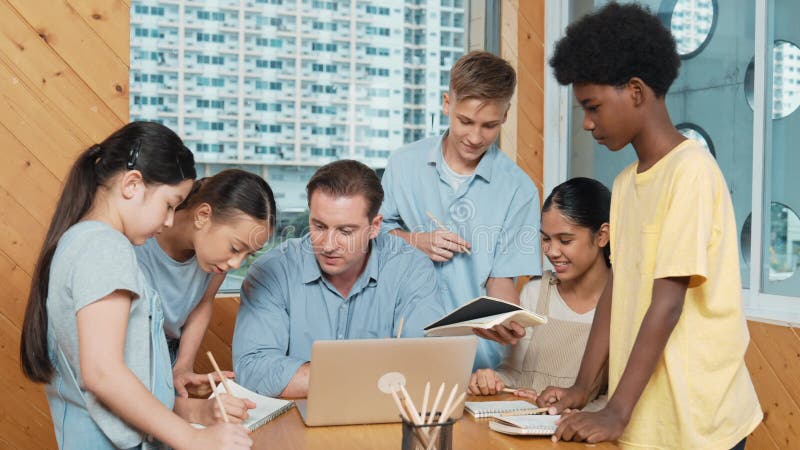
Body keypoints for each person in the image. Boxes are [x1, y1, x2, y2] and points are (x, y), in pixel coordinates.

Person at [538, 4, 762, 449]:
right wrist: (583, 388)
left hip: (698, 424)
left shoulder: (691, 172)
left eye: (593, 106)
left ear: (636, 92)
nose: (587, 123)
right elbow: (617, 292)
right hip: (644, 418)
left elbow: (668, 305)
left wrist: (615, 411)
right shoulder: (624, 184)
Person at [19, 122, 253, 450]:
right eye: (170, 204)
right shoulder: (105, 248)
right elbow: (103, 374)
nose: (170, 220)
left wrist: (196, 411)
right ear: (132, 185)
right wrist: (193, 438)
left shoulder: (83, 241)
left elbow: (131, 377)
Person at [379, 50, 541, 369]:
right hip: (401, 344)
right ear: (446, 104)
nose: (475, 136)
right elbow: (372, 239)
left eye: (489, 125)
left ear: (505, 116)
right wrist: (417, 242)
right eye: (465, 121)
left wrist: (505, 319)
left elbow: (501, 280)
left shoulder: (519, 190)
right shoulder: (403, 164)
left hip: (476, 357)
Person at [232, 160, 446, 397]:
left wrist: (313, 376)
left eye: (345, 232)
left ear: (374, 227)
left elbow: (426, 365)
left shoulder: (411, 268)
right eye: (319, 227)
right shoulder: (272, 270)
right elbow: (253, 371)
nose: (329, 245)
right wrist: (372, 370)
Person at [467, 178, 610, 412]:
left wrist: (568, 411)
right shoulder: (536, 292)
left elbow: (614, 401)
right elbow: (513, 373)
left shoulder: (623, 303)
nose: (552, 252)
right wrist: (493, 381)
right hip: (523, 427)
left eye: (565, 240)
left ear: (602, 236)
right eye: (545, 239)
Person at [135, 169, 277, 398]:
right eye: (235, 248)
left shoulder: (216, 261)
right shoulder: (140, 239)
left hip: (166, 355)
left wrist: (182, 367)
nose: (236, 263)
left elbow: (203, 303)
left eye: (248, 255)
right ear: (203, 215)